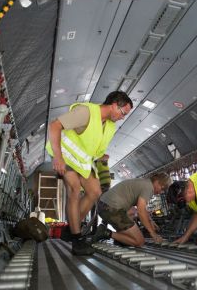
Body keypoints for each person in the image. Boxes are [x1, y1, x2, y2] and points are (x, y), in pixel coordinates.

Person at [46, 91, 133, 255]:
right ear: (114, 105)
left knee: (95, 192)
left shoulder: (110, 126)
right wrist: (57, 157)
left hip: (83, 162)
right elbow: (54, 126)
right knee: (74, 190)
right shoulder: (86, 112)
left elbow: (95, 148)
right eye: (123, 113)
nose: (123, 117)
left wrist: (102, 157)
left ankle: (71, 228)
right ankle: (77, 239)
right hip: (65, 155)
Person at [92, 173, 172, 247]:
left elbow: (139, 208)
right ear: (157, 182)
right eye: (162, 188)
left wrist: (150, 220)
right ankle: (105, 232)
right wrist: (153, 233)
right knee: (139, 242)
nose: (160, 192)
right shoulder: (149, 188)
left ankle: (121, 238)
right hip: (111, 208)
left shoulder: (144, 183)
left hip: (104, 205)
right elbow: (141, 211)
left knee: (132, 211)